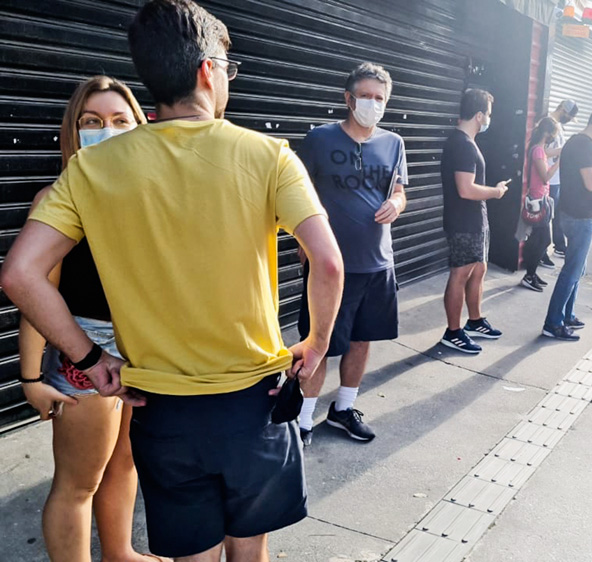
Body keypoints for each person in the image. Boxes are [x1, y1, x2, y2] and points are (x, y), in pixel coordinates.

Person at [1, 1, 346, 560]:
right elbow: (328, 263)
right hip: (252, 401)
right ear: (208, 70)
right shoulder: (268, 155)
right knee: (248, 548)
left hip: (161, 407)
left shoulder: (91, 170)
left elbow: (20, 275)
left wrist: (89, 360)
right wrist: (316, 344)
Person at [16, 76, 161, 562]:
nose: (107, 130)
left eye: (121, 121)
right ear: (73, 133)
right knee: (78, 484)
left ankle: (120, 553)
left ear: (142, 126)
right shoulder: (56, 199)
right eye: (92, 122)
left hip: (143, 352)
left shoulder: (152, 198)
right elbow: (36, 293)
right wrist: (31, 378)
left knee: (124, 463)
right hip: (86, 352)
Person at [295, 62, 407, 445]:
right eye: (365, 96)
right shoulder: (319, 139)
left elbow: (399, 190)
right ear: (348, 98)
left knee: (362, 340)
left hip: (378, 263)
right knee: (319, 344)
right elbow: (297, 193)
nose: (372, 104)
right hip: (330, 266)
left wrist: (397, 202)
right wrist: (303, 245)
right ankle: (303, 421)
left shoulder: (394, 143)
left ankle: (343, 409)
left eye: (380, 99)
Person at [542, 106, 592, 341]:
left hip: (571, 214)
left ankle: (567, 315)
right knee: (572, 270)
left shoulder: (575, 142)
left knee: (578, 268)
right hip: (580, 217)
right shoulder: (585, 146)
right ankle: (553, 323)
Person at [439, 88, 508, 354]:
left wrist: (491, 190)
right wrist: (496, 192)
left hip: (475, 219)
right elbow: (465, 189)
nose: (490, 119)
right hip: (463, 221)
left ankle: (475, 321)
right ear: (479, 115)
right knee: (461, 273)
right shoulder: (462, 144)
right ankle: (453, 332)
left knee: (478, 269)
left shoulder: (467, 142)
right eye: (488, 114)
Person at [519, 117, 560, 292]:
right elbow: (545, 176)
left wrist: (561, 151)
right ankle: (529, 275)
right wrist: (560, 161)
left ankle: (531, 273)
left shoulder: (539, 149)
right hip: (537, 201)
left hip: (541, 199)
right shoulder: (537, 151)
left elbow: (548, 153)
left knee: (538, 239)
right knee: (542, 239)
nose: (554, 137)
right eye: (554, 133)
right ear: (548, 133)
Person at [545, 100, 579, 259]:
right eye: (569, 116)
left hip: (557, 177)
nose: (569, 120)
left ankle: (559, 245)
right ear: (563, 110)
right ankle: (542, 250)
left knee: (557, 214)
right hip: (548, 178)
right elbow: (542, 151)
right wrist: (563, 150)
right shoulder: (547, 124)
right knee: (547, 215)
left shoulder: (559, 126)